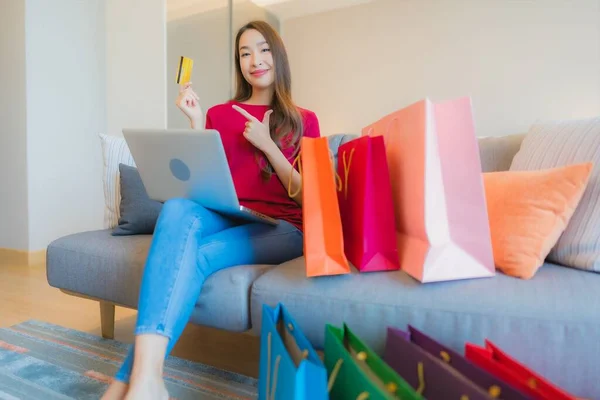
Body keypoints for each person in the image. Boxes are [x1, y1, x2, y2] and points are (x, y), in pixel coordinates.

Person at [101, 20, 320, 400]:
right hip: (233, 213)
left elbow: (306, 198)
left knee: (199, 258)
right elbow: (202, 181)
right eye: (245, 53)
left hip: (284, 228)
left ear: (278, 55)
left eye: (264, 49)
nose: (255, 60)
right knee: (179, 208)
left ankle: (130, 380)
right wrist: (197, 123)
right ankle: (148, 380)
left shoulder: (304, 120)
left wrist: (269, 145)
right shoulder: (221, 114)